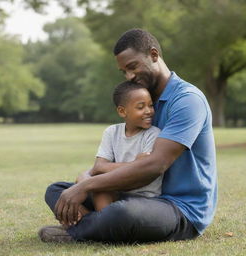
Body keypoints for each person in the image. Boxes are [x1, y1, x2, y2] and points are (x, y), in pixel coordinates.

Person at [38, 28, 217, 243]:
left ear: (153, 55)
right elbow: (104, 162)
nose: (129, 76)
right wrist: (84, 180)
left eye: (132, 67)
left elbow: (154, 166)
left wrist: (87, 185)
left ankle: (79, 232)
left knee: (123, 214)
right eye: (124, 71)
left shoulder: (187, 100)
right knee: (58, 191)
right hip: (130, 194)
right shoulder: (140, 101)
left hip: (179, 207)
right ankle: (100, 226)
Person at [79, 81, 162, 212]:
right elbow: (99, 167)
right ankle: (101, 223)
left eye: (150, 106)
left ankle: (95, 224)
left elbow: (141, 172)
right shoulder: (112, 132)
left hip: (144, 199)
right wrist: (136, 163)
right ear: (122, 111)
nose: (149, 111)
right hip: (117, 190)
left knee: (90, 185)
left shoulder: (153, 134)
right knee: (57, 190)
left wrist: (103, 169)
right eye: (140, 107)